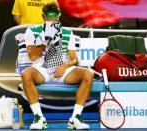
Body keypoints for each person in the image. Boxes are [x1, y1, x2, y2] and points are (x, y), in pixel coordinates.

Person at [21, 2, 94, 130]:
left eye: (54, 17)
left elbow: (74, 59)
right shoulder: (32, 31)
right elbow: (32, 57)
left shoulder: (67, 33)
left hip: (62, 72)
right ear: (43, 17)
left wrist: (65, 66)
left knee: (88, 74)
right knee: (25, 74)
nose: (52, 20)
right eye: (49, 17)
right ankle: (39, 118)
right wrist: (46, 40)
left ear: (59, 16)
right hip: (41, 70)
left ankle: (75, 118)